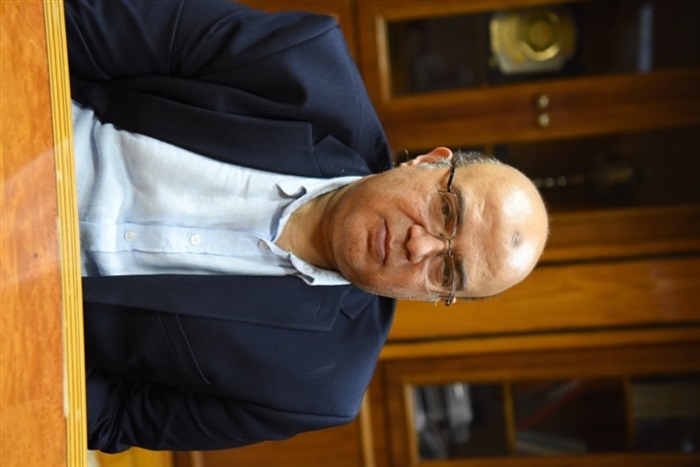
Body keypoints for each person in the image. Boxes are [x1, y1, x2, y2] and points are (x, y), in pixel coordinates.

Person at [65, 0, 548, 453]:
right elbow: (81, 27)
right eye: (445, 211)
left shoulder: (317, 389)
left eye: (446, 270)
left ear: (435, 298)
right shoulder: (303, 62)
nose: (418, 244)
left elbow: (112, 416)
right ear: (426, 162)